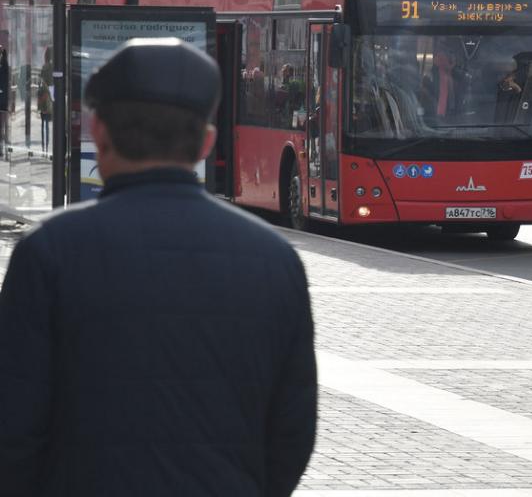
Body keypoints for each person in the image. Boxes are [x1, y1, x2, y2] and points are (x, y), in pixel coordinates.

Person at [0, 38, 317, 495]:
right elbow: (292, 434)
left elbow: (14, 426)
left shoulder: (48, 251)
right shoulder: (276, 260)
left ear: (99, 131)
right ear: (207, 142)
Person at [0, 47, 9, 157]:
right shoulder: (6, 68)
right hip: (4, 101)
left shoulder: (1, 68)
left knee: (0, 126)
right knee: (5, 126)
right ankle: (6, 149)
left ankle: (1, 150)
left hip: (0, 100)